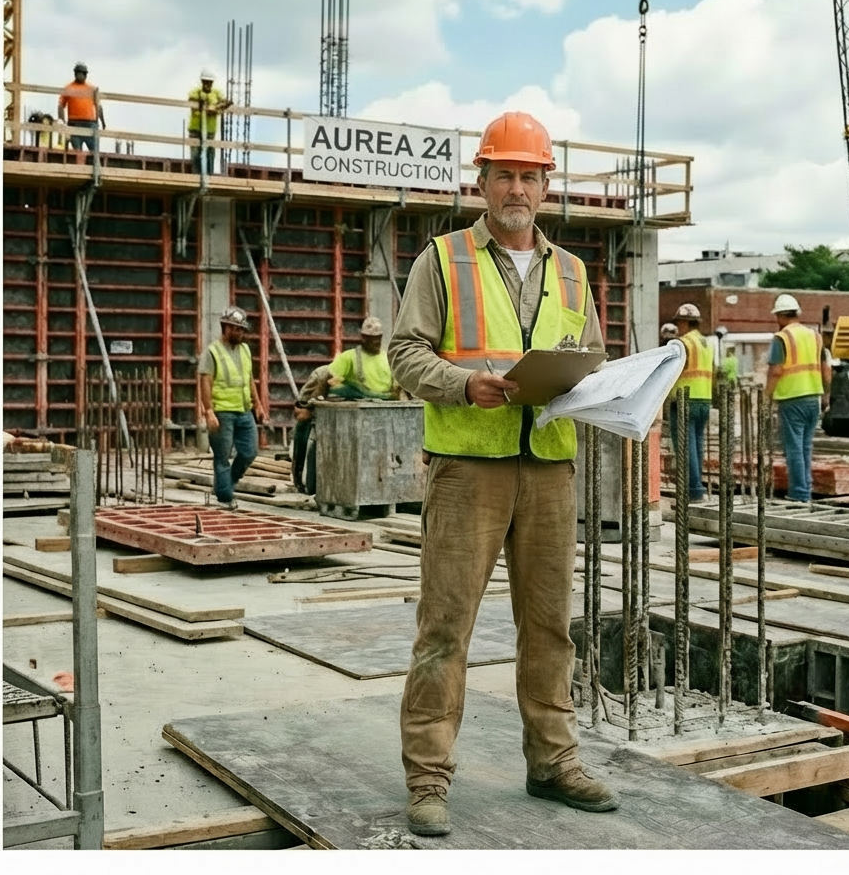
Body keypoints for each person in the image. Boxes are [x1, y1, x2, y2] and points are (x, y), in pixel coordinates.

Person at [388, 110, 617, 839]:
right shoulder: (444, 258)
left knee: (551, 627)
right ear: (481, 180)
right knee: (445, 629)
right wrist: (465, 384)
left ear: (547, 185)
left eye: (530, 174)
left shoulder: (575, 272)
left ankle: (552, 761)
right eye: (505, 173)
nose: (517, 186)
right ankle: (428, 776)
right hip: (469, 469)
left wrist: (602, 387)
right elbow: (405, 353)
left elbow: (594, 360)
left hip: (549, 468)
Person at [290, 317, 399, 494]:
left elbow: (396, 390)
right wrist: (315, 403)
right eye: (372, 338)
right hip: (354, 416)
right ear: (363, 337)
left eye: (379, 337)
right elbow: (328, 377)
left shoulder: (388, 360)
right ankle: (303, 478)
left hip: (381, 415)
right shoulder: (350, 358)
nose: (376, 341)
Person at [764, 294, 832, 503]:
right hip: (814, 397)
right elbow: (826, 369)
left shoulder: (782, 338)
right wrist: (826, 394)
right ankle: (805, 491)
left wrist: (767, 396)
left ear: (780, 316)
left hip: (792, 399)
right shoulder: (815, 336)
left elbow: (776, 371)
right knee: (805, 447)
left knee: (793, 448)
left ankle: (799, 493)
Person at [197, 305, 266, 510]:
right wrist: (208, 411)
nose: (239, 332)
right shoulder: (212, 352)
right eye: (235, 328)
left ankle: (226, 484)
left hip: (244, 411)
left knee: (249, 452)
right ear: (225, 327)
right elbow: (205, 381)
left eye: (242, 329)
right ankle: (225, 498)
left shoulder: (245, 350)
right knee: (222, 456)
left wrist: (258, 404)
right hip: (222, 412)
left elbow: (249, 379)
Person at [667, 303, 713, 503]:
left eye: (679, 323)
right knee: (696, 445)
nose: (678, 327)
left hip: (684, 400)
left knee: (686, 447)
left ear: (685, 322)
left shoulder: (682, 343)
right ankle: (696, 486)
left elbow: (671, 372)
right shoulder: (705, 343)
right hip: (704, 399)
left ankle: (693, 491)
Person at [187, 68, 231, 175]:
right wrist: (209, 108)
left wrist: (216, 108)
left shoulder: (216, 93)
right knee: (196, 154)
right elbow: (193, 101)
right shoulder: (196, 92)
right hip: (196, 129)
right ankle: (196, 175)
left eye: (209, 82)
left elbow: (227, 102)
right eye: (206, 82)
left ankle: (209, 175)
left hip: (210, 130)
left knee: (210, 154)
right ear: (202, 82)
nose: (208, 84)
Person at [57, 62, 105, 152]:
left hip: (90, 124)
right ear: (75, 74)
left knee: (94, 153)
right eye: (79, 73)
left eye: (83, 73)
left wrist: (102, 121)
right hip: (74, 123)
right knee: (78, 153)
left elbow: (98, 106)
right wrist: (62, 121)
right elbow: (61, 106)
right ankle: (80, 166)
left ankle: (94, 165)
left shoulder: (92, 89)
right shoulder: (68, 88)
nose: (81, 75)